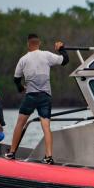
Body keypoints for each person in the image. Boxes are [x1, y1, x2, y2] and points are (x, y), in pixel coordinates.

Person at [7, 33, 69, 163]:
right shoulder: (46, 55)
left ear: (28, 44)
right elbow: (65, 60)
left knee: (20, 123)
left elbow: (16, 79)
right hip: (45, 96)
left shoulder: (23, 59)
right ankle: (49, 157)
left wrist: (20, 88)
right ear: (39, 43)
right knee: (46, 126)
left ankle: (12, 152)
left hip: (30, 96)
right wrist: (61, 48)